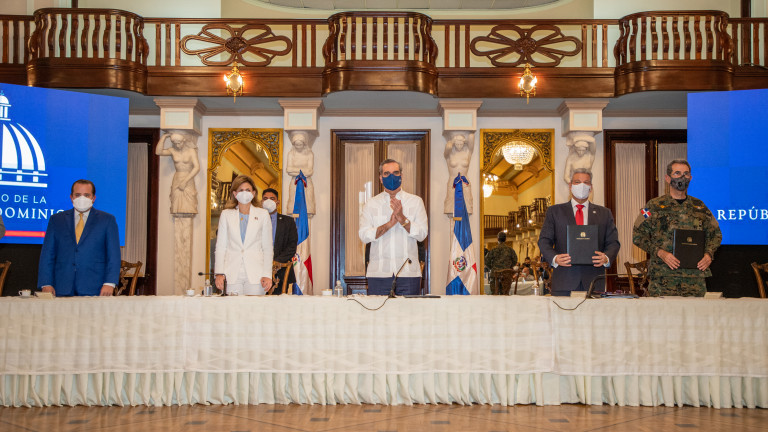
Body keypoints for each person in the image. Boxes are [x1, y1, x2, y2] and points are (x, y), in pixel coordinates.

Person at [632, 159, 722, 297]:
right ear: (668, 178)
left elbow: (716, 234)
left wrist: (709, 254)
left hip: (694, 279)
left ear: (690, 178)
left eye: (686, 174)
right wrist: (660, 252)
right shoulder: (652, 206)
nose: (682, 177)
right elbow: (637, 235)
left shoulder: (700, 206)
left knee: (695, 312)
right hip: (663, 278)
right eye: (677, 173)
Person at [537, 168, 620, 296]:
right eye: (577, 182)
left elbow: (613, 242)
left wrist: (606, 257)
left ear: (591, 187)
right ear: (570, 186)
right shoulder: (555, 212)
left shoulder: (604, 213)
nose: (582, 185)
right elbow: (544, 240)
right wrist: (555, 258)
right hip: (564, 280)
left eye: (586, 182)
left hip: (594, 282)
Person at [37, 179, 121, 297]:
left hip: (96, 288)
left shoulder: (107, 220)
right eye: (77, 195)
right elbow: (47, 254)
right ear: (71, 197)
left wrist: (110, 283)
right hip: (61, 287)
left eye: (86, 195)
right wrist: (46, 283)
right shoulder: (56, 220)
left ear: (93, 198)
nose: (82, 198)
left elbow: (113, 255)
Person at [359, 159, 428, 296]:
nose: (391, 177)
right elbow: (364, 235)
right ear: (380, 178)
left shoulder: (415, 201)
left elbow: (422, 234)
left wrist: (403, 219)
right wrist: (388, 225)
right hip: (378, 274)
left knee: (409, 311)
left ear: (401, 175)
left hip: (408, 274)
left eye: (395, 173)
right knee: (378, 311)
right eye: (386, 173)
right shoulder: (371, 204)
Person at [214, 175, 273, 296]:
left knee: (254, 308)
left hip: (256, 274)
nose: (244, 193)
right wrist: (219, 273)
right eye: (241, 190)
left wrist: (267, 274)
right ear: (235, 194)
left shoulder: (263, 214)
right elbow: (221, 247)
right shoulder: (226, 215)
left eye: (248, 190)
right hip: (231, 273)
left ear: (253, 193)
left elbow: (267, 248)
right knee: (233, 308)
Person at [262, 188, 298, 295]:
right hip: (257, 271)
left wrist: (275, 262)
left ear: (277, 203)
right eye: (265, 199)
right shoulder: (254, 220)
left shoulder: (288, 222)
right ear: (261, 202)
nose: (268, 201)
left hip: (281, 272)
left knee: (278, 304)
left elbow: (292, 246)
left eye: (272, 199)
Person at [156, 131, 200, 214]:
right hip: (177, 178)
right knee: (176, 204)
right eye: (175, 143)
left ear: (184, 140)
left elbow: (197, 167)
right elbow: (158, 152)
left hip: (188, 178)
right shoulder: (172, 150)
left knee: (189, 205)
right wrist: (164, 137)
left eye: (179, 143)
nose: (177, 145)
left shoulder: (191, 151)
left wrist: (185, 181)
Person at [286, 131, 315, 215]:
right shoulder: (291, 154)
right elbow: (288, 170)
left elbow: (310, 171)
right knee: (293, 200)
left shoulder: (309, 154)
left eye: (300, 145)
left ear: (304, 144)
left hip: (307, 182)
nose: (298, 147)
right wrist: (303, 171)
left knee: (308, 201)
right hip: (294, 181)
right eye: (296, 145)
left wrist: (294, 170)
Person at [444, 132, 474, 214]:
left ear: (464, 143)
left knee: (467, 206)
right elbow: (448, 147)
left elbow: (471, 136)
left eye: (461, 144)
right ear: (454, 143)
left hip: (465, 181)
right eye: (457, 144)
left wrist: (465, 139)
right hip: (453, 181)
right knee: (451, 207)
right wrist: (452, 141)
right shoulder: (450, 154)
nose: (459, 146)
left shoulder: (468, 152)